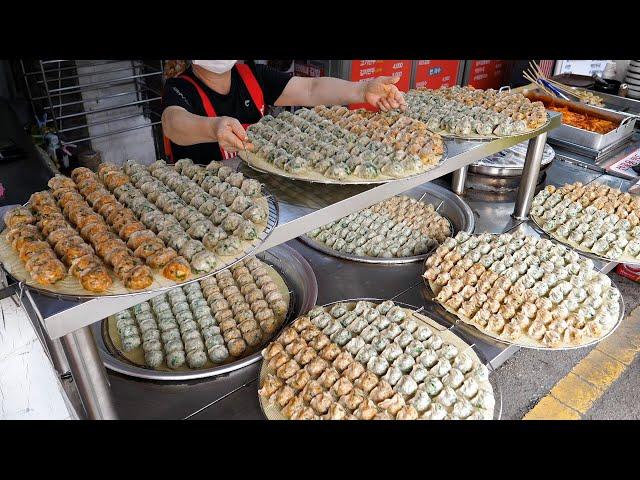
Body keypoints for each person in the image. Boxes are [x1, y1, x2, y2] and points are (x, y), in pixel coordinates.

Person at [161, 60, 407, 164]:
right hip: (201, 201)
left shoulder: (252, 76)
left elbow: (311, 88)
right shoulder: (180, 88)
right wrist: (213, 128)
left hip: (254, 192)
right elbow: (173, 123)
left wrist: (362, 90)